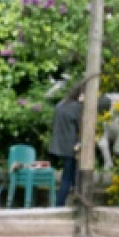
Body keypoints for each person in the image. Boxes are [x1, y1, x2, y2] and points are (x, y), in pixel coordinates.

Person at [49, 79, 86, 207]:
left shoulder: (61, 104)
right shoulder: (77, 107)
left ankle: (65, 202)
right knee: (68, 177)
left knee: (69, 175)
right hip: (71, 146)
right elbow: (81, 126)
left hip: (59, 144)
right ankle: (59, 204)